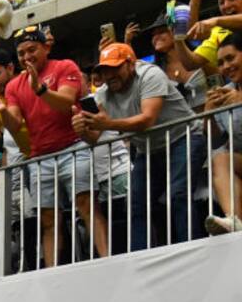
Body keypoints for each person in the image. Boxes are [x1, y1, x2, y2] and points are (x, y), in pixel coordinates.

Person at [73, 42, 205, 250]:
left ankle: (191, 249)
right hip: (149, 149)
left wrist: (108, 123)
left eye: (115, 68)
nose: (109, 75)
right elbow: (94, 138)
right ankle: (140, 256)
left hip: (183, 137)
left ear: (130, 64)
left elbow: (147, 120)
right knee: (135, 203)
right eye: (104, 71)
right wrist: (82, 130)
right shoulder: (103, 94)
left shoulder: (150, 75)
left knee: (177, 194)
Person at [0, 24, 109, 267]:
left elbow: (67, 102)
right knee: (48, 219)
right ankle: (52, 272)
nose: (27, 57)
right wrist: (1, 114)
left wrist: (39, 88)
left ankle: (107, 258)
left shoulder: (64, 66)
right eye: (21, 54)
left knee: (86, 205)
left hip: (73, 146)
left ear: (45, 47)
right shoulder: (13, 86)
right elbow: (15, 124)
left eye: (32, 50)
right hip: (40, 159)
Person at [204, 30, 242, 232]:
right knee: (220, 159)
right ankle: (234, 221)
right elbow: (215, 140)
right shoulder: (226, 91)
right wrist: (208, 114)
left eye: (230, 58)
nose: (226, 66)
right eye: (221, 63)